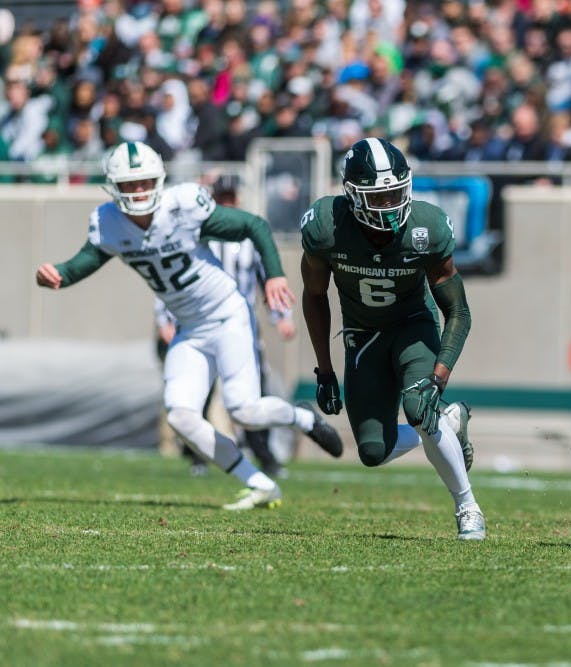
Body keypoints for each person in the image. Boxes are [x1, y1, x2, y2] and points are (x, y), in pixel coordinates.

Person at [35, 141, 344, 511]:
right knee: (181, 416)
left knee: (243, 408)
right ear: (114, 187)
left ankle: (300, 416)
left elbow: (254, 225)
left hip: (227, 314)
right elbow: (82, 262)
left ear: (159, 180)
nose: (139, 191)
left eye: (145, 181)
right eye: (130, 184)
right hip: (188, 327)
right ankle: (259, 484)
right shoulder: (109, 223)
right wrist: (58, 276)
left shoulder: (181, 206)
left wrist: (275, 276)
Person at [299, 137, 485, 541]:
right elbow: (314, 296)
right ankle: (450, 423)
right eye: (378, 198)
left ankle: (467, 507)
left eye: (395, 194)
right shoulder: (326, 227)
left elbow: (459, 311)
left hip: (412, 327)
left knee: (418, 407)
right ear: (352, 196)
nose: (389, 205)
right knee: (372, 452)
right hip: (362, 335)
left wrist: (438, 378)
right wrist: (325, 371)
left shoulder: (427, 227)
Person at [155, 175, 296, 479]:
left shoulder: (246, 239)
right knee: (198, 391)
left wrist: (281, 317)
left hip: (239, 323)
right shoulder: (196, 233)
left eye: (232, 197)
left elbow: (265, 281)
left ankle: (264, 455)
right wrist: (163, 318)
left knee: (251, 393)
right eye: (223, 197)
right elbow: (170, 277)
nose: (229, 202)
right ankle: (197, 455)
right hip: (197, 320)